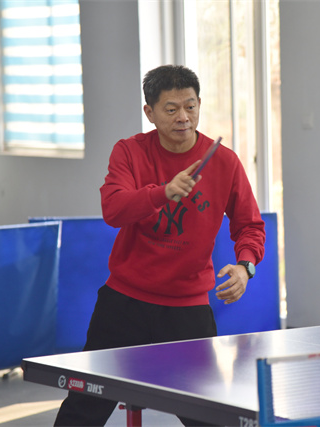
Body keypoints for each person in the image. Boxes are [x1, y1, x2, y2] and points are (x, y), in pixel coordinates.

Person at [54, 64, 266, 426]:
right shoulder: (129, 152)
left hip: (187, 310)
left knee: (209, 417)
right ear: (149, 112)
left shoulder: (225, 162)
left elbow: (249, 225)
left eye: (190, 106)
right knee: (83, 410)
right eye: (171, 109)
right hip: (124, 304)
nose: (183, 117)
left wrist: (245, 267)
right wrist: (163, 192)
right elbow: (113, 209)